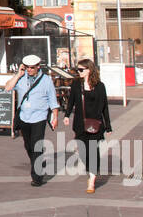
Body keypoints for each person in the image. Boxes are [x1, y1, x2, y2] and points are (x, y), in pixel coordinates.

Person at [63, 58, 112, 194]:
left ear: (89, 70)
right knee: (84, 152)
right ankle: (90, 170)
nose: (78, 72)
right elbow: (71, 101)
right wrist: (66, 116)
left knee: (93, 150)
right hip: (80, 123)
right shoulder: (76, 84)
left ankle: (92, 179)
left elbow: (105, 107)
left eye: (81, 70)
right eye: (77, 69)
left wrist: (108, 126)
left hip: (95, 123)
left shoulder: (100, 86)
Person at [13, 55, 59, 187]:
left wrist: (55, 117)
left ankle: (37, 177)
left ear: (38, 66)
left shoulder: (46, 80)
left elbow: (52, 101)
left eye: (32, 68)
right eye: (27, 67)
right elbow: (7, 87)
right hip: (24, 117)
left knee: (37, 146)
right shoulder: (21, 79)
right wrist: (17, 74)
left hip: (39, 117)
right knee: (28, 146)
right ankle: (37, 161)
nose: (29, 70)